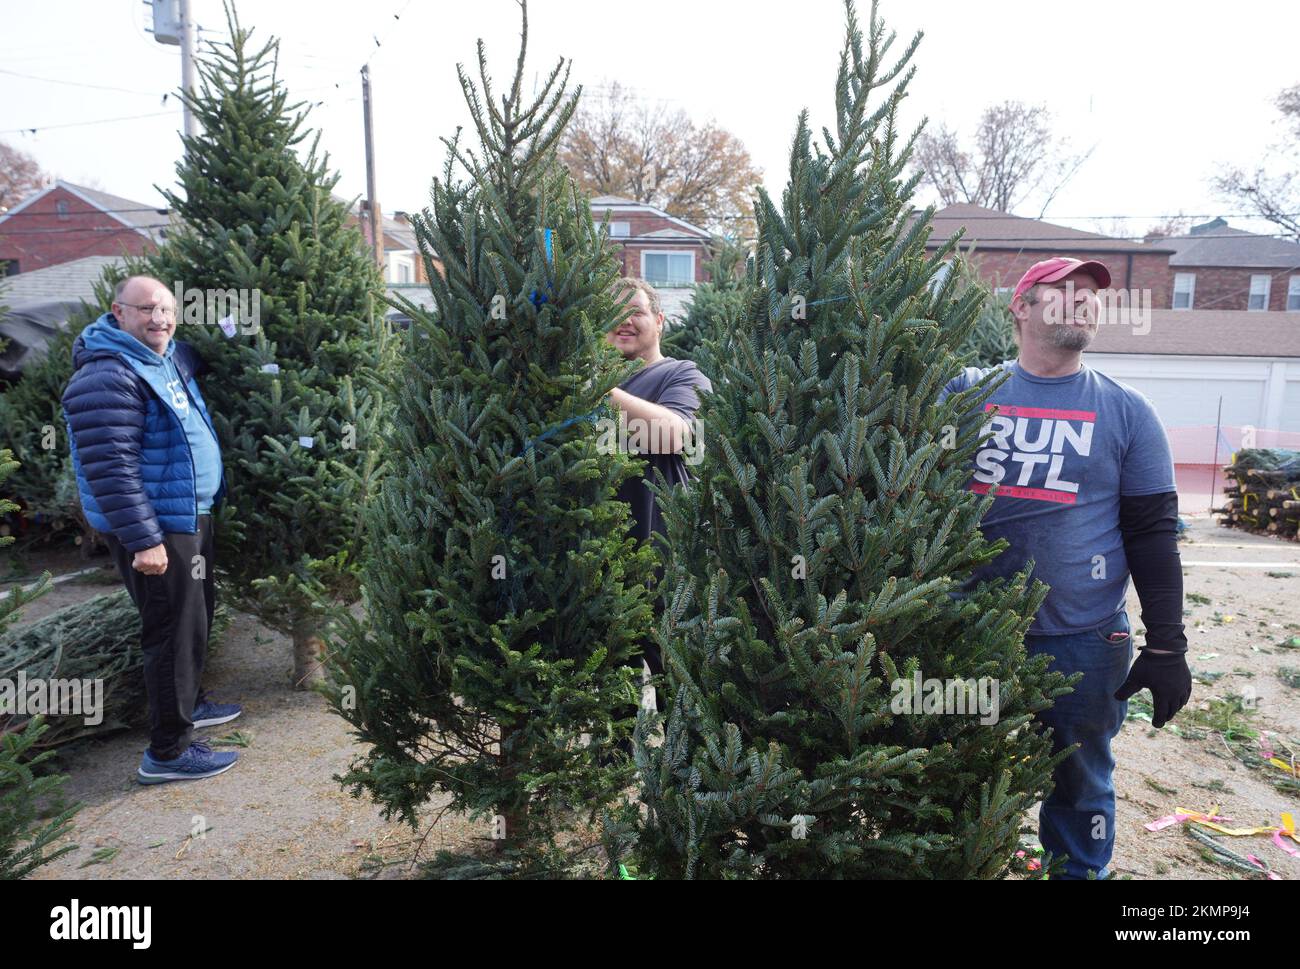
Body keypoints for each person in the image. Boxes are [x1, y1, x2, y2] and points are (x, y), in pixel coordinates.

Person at [938, 257, 1192, 879]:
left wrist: (1167, 643)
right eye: (1062, 292)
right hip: (965, 633)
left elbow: (1153, 534)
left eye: (1091, 295)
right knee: (949, 777)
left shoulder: (1128, 411)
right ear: (1020, 308)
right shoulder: (963, 394)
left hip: (1082, 640)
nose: (1082, 302)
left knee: (1080, 786)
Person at [62, 276, 242, 785]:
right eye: (146, 309)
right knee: (170, 633)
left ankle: (191, 706)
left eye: (166, 309)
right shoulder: (107, 375)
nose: (159, 318)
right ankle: (167, 753)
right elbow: (110, 468)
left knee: (195, 620)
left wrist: (237, 311)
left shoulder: (168, 357)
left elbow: (212, 347)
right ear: (117, 313)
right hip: (159, 526)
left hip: (191, 513)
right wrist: (144, 541)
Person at [606, 277, 711, 704]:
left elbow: (676, 435)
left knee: (681, 701)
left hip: (667, 569)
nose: (624, 322)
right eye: (612, 315)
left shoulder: (681, 373)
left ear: (660, 321)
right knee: (611, 711)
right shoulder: (577, 386)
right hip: (603, 572)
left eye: (636, 311)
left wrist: (603, 389)